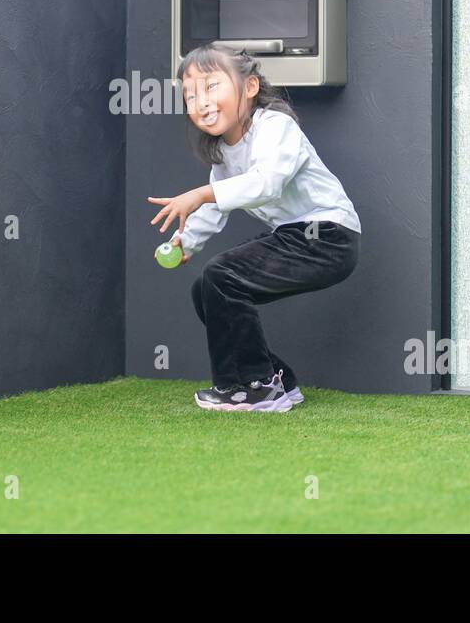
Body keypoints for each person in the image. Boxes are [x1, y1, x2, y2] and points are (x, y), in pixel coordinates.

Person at [147, 42, 361, 412]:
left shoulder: (275, 126)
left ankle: (251, 388)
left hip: (328, 236)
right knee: (207, 289)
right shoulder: (224, 150)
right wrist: (185, 241)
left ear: (249, 87)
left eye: (211, 87)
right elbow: (214, 208)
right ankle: (277, 379)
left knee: (221, 277)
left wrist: (200, 193)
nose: (201, 102)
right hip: (294, 235)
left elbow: (267, 183)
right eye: (190, 95)